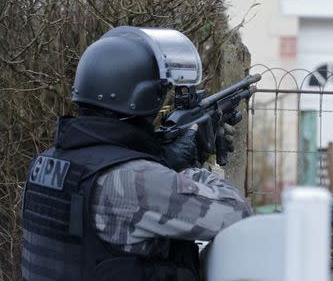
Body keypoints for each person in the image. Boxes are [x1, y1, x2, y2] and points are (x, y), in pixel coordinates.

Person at [21, 27, 252, 281]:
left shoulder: (45, 164)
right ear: (145, 97)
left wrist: (161, 162)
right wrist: (186, 169)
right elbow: (236, 214)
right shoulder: (133, 180)